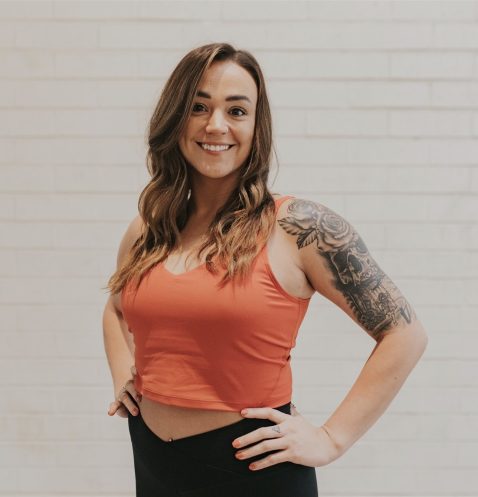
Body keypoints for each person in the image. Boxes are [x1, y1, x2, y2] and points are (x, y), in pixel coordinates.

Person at [102, 42, 428, 497]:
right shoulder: (149, 229)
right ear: (175, 118)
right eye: (199, 106)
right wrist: (125, 376)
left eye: (237, 111)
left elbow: (405, 333)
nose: (216, 125)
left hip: (253, 471)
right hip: (154, 463)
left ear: (257, 126)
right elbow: (117, 309)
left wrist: (332, 439)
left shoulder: (298, 227)